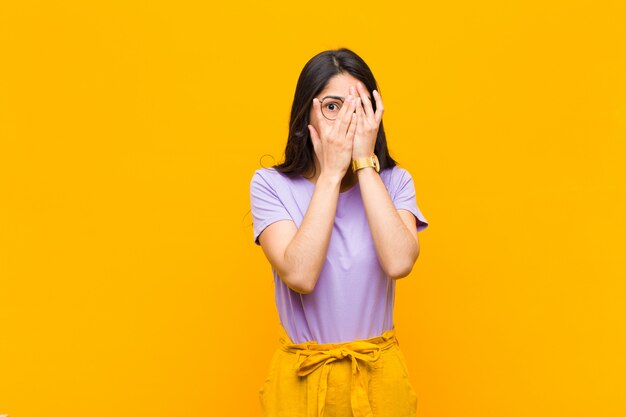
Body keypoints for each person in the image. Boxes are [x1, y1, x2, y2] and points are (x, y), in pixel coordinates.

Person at [249, 48, 429, 417]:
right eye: (333, 106)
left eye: (360, 106)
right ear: (305, 115)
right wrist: (330, 173)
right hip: (302, 382)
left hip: (379, 380)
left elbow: (399, 262)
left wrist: (363, 164)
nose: (347, 118)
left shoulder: (395, 183)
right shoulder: (270, 185)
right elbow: (300, 275)